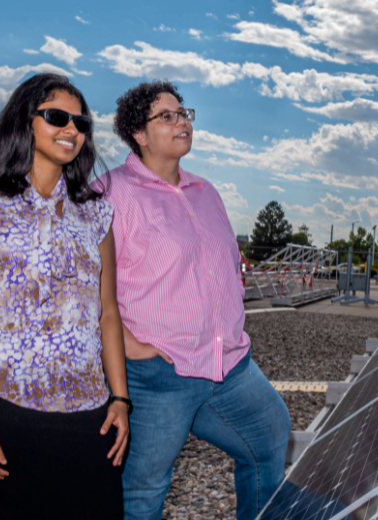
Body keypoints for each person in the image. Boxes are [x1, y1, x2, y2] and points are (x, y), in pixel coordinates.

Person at [0, 73, 130, 519]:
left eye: (81, 123)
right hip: (6, 416)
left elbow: (107, 314)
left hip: (90, 418)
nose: (72, 130)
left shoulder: (96, 215)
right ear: (26, 121)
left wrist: (120, 400)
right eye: (57, 117)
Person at [104, 80, 290, 520]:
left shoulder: (206, 193)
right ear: (139, 134)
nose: (181, 121)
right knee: (144, 493)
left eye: (184, 113)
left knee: (269, 434)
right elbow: (84, 281)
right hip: (160, 373)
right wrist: (131, 348)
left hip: (228, 365)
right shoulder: (111, 193)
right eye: (166, 116)